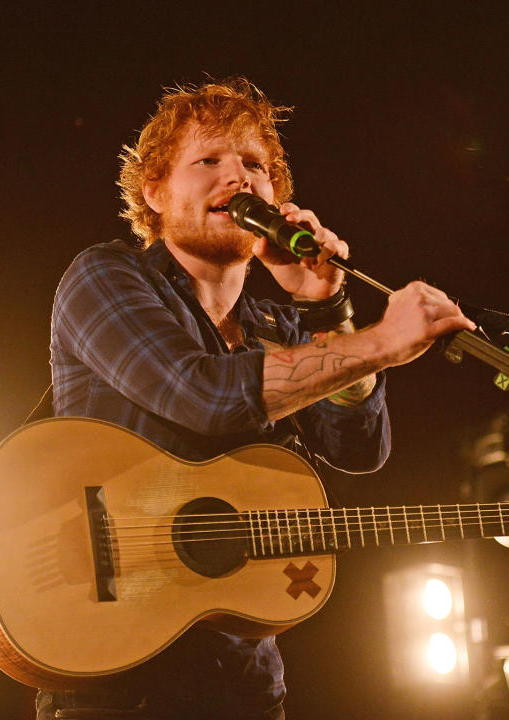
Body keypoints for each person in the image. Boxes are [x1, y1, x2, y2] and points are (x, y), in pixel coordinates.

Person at [43, 78, 474, 720]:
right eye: (209, 160)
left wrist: (323, 302)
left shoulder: (279, 328)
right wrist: (383, 342)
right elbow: (201, 395)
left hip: (242, 685)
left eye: (255, 166)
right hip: (115, 676)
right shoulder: (105, 277)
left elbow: (358, 448)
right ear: (155, 192)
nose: (237, 178)